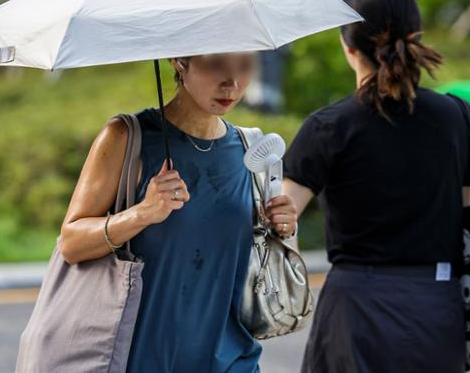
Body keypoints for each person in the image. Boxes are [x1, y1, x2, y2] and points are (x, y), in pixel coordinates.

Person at [281, 0, 470, 373]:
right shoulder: (457, 117)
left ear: (348, 47)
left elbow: (282, 217)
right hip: (436, 304)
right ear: (416, 36)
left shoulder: (328, 125)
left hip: (354, 309)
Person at [57, 53, 299, 372]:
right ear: (178, 61)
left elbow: (250, 260)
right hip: (141, 359)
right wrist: (142, 214)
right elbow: (71, 243)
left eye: (244, 66)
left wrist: (281, 226)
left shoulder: (249, 148)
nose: (233, 82)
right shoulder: (126, 137)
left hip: (233, 361)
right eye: (216, 64)